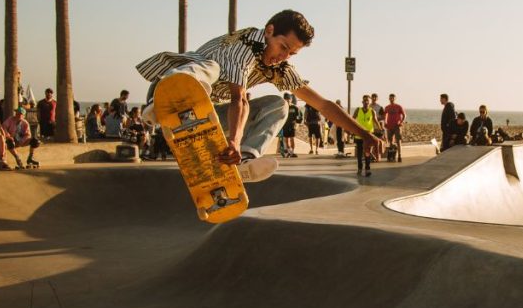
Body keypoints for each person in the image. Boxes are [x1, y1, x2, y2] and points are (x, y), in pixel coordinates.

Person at [137, 10, 385, 182]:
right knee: (209, 68)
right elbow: (239, 100)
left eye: (292, 54)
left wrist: (366, 134)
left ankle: (243, 162)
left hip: (205, 115)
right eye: (283, 47)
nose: (283, 56)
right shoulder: (245, 44)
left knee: (279, 105)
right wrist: (233, 138)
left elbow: (323, 105)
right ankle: (165, 104)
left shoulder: (279, 69)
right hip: (167, 91)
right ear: (269, 31)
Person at [353, 94, 379, 176]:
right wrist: (350, 130)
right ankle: (360, 168)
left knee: (367, 152)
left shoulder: (372, 111)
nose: (366, 102)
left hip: (368, 135)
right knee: (359, 153)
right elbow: (352, 119)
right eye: (364, 100)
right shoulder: (358, 110)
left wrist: (381, 130)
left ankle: (367, 169)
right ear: (362, 101)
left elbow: (375, 121)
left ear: (369, 102)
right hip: (359, 134)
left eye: (367, 100)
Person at [383, 93, 405, 160]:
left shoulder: (398, 106)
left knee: (398, 141)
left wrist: (401, 122)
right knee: (390, 141)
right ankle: (392, 153)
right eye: (390, 98)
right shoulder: (387, 107)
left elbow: (404, 115)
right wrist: (385, 122)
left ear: (395, 99)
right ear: (389, 99)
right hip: (389, 126)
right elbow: (385, 115)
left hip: (397, 126)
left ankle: (399, 155)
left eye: (393, 98)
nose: (391, 99)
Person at [281, 93, 300, 157]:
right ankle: (289, 151)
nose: (288, 100)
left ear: (291, 100)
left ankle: (292, 151)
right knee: (286, 139)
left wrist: (297, 123)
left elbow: (299, 116)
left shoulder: (295, 107)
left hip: (292, 125)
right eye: (286, 99)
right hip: (285, 125)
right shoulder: (283, 107)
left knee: (292, 138)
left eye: (289, 99)